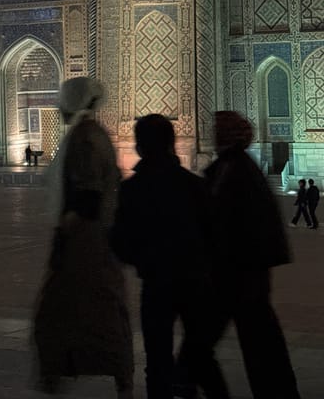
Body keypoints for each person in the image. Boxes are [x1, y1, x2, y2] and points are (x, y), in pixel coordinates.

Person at [178, 111, 301, 399]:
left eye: (218, 129)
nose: (212, 133)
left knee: (215, 342)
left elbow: (223, 218)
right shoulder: (235, 167)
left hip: (237, 275)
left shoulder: (235, 170)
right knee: (257, 343)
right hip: (240, 275)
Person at [110, 114, 229, 399]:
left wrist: (144, 259)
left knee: (158, 362)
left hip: (156, 283)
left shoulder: (132, 190)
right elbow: (215, 235)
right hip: (196, 281)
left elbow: (121, 242)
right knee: (201, 356)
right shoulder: (194, 185)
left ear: (140, 146)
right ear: (171, 143)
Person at [33, 77, 133, 398]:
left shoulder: (85, 137)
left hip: (84, 240)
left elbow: (88, 195)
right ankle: (119, 380)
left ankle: (56, 379)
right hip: (97, 238)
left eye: (62, 99)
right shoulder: (94, 133)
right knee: (102, 312)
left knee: (58, 316)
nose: (58, 106)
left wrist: (66, 232)